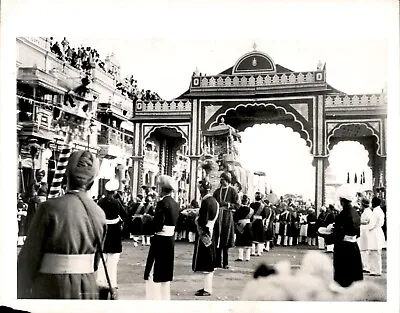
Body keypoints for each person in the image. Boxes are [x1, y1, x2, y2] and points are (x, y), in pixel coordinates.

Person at [17, 150, 107, 299]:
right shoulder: (99, 213)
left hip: (51, 286)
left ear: (66, 177)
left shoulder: (49, 208)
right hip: (87, 288)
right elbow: (96, 262)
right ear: (92, 182)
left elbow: (28, 259)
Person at [144, 175, 179, 300]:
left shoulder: (162, 203)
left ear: (162, 189)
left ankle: (154, 300)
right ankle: (165, 299)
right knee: (166, 271)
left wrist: (148, 221)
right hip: (170, 240)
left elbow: (158, 226)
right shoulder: (175, 204)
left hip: (160, 240)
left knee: (154, 271)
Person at [96, 179, 128, 299]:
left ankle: (101, 282)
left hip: (103, 231)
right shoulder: (116, 202)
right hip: (114, 232)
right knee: (113, 260)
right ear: (114, 192)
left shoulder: (101, 201)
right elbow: (125, 215)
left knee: (102, 259)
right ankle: (112, 283)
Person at [192, 180, 220, 296]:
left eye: (200, 188)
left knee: (208, 262)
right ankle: (206, 287)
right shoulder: (214, 201)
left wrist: (195, 218)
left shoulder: (206, 201)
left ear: (202, 189)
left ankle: (208, 289)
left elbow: (203, 219)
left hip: (206, 232)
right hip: (211, 231)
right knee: (209, 261)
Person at [332, 184, 363, 287]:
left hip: (343, 248)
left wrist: (329, 234)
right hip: (354, 246)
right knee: (354, 274)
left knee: (343, 276)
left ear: (342, 201)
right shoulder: (356, 213)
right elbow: (358, 232)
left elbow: (338, 234)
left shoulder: (342, 215)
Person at [212, 172, 239, 269]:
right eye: (221, 179)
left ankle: (226, 263)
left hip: (227, 217)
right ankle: (217, 262)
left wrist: (228, 205)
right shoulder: (217, 191)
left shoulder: (232, 191)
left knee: (225, 240)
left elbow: (237, 205)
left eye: (223, 179)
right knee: (217, 239)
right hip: (218, 216)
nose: (221, 180)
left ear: (227, 180)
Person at [23, 169, 48, 235]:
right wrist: (29, 199)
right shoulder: (31, 185)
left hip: (42, 204)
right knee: (32, 221)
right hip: (33, 205)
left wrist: (39, 186)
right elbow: (26, 195)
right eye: (38, 175)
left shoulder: (45, 184)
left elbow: (45, 191)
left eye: (42, 175)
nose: (40, 177)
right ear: (36, 176)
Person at [366, 197, 385, 276]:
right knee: (377, 253)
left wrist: (365, 226)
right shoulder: (380, 211)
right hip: (378, 231)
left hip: (374, 233)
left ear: (373, 203)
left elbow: (371, 225)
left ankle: (375, 270)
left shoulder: (375, 212)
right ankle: (377, 270)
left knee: (373, 253)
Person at [234, 195, 254, 261]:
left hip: (240, 225)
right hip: (248, 225)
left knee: (240, 241)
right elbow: (252, 219)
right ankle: (247, 257)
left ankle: (240, 257)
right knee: (248, 242)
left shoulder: (239, 209)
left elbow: (235, 218)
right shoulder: (251, 210)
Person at [357, 198, 372, 273]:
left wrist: (360, 221)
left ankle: (366, 266)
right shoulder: (365, 211)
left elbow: (368, 220)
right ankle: (364, 265)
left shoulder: (368, 212)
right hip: (363, 231)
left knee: (364, 249)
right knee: (363, 249)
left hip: (365, 230)